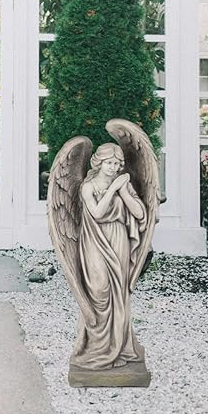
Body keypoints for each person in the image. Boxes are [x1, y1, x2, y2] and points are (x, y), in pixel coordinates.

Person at [73, 142, 147, 370]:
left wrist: (124, 192)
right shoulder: (88, 186)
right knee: (98, 289)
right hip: (94, 239)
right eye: (109, 163)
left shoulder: (123, 184)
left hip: (118, 237)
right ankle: (96, 346)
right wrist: (114, 189)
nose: (113, 167)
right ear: (99, 163)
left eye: (117, 163)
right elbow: (97, 213)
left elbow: (140, 213)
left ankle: (117, 345)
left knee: (118, 291)